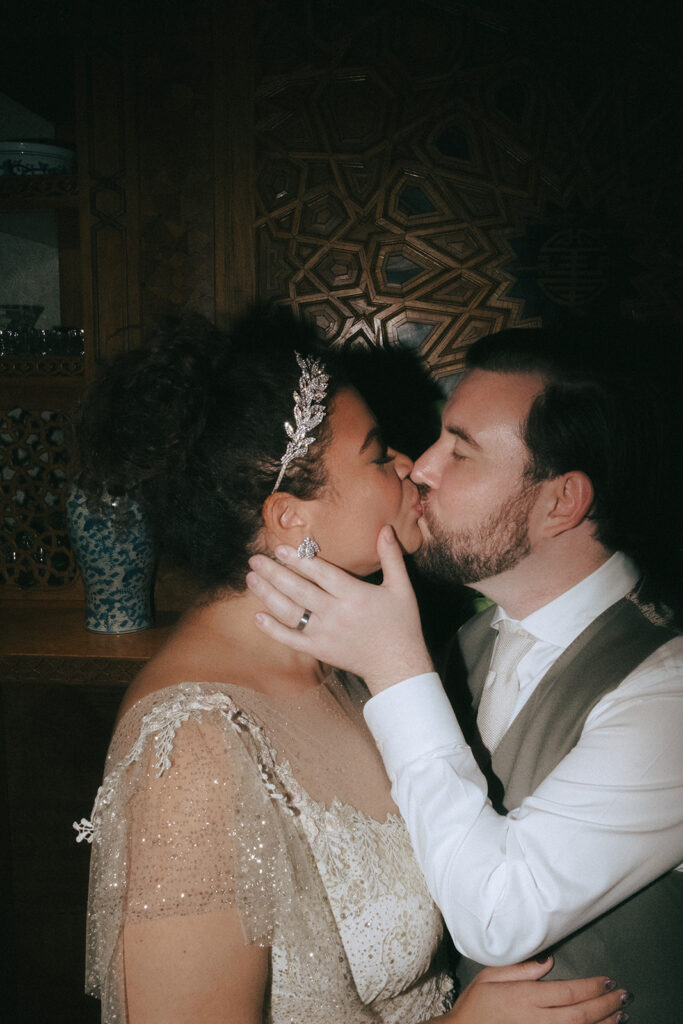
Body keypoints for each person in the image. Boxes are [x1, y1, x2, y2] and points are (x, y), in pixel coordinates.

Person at [71, 310, 632, 1024]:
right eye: (375, 454)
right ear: (288, 518)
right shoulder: (193, 750)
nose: (410, 466)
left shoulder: (341, 659)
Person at [246, 325, 683, 1022]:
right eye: (438, 439)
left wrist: (396, 667)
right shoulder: (462, 642)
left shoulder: (668, 693)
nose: (420, 467)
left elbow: (496, 921)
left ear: (560, 502)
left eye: (462, 451)